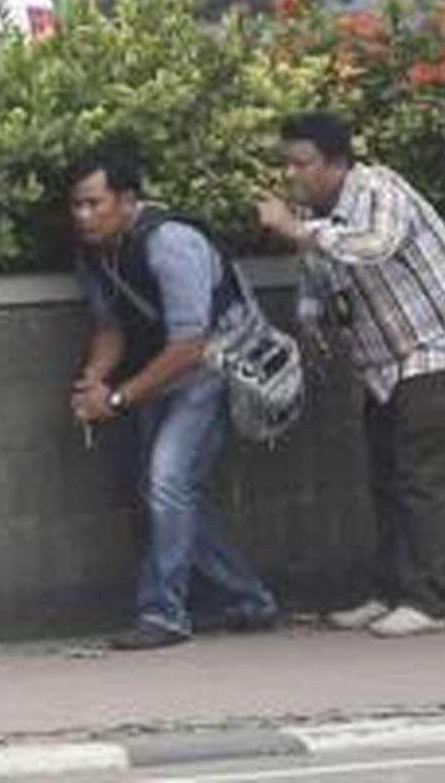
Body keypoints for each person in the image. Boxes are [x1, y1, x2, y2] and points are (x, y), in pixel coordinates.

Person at [257, 111, 445, 638]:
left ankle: (426, 601)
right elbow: (318, 275)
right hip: (386, 361)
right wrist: (311, 320)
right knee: (385, 475)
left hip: (441, 342)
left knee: (416, 474)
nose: (293, 174)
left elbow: (374, 245)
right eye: (288, 163)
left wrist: (298, 230)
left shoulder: (379, 190)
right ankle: (389, 591)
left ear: (338, 163)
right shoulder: (315, 214)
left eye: (304, 163)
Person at [69, 149, 279, 650]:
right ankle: (249, 599)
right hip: (162, 365)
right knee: (165, 488)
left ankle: (164, 612)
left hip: (211, 363)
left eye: (93, 204)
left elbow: (190, 346)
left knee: (166, 480)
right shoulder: (96, 251)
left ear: (126, 200)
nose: (82, 216)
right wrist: (93, 380)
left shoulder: (170, 242)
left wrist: (116, 399)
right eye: (75, 205)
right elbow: (110, 326)